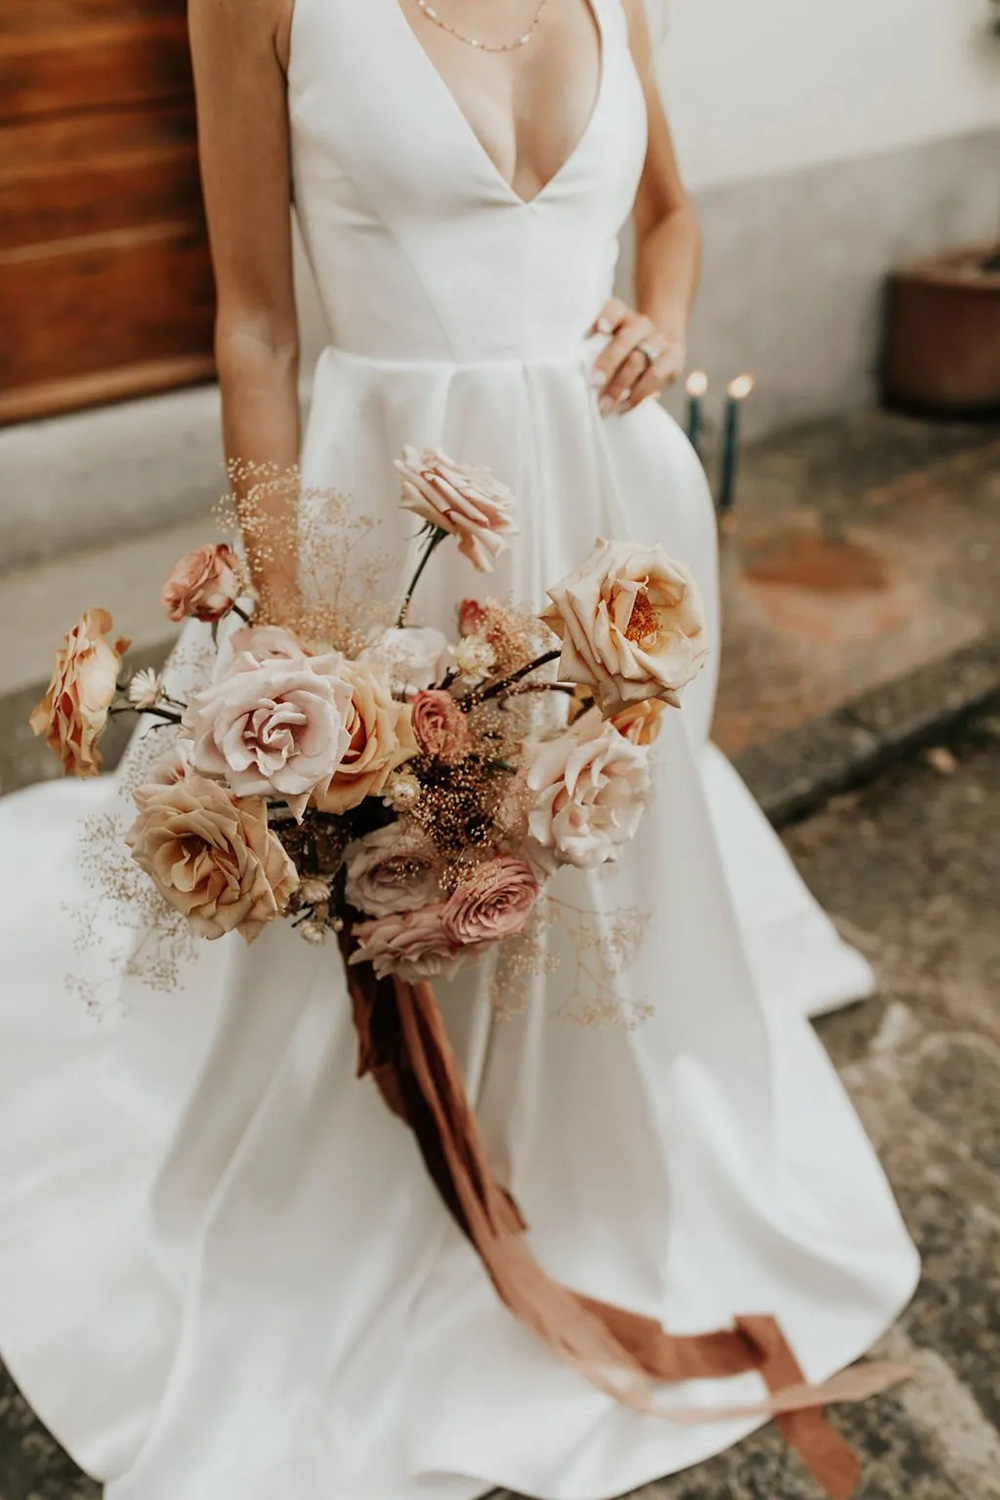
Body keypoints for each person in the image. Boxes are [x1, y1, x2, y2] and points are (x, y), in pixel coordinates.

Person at [0, 2, 918, 1496]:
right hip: (395, 526)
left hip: (618, 532)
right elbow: (255, 322)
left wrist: (658, 322)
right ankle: (411, 1191)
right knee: (405, 886)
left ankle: (596, 1171)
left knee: (597, 866)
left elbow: (672, 219)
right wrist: (297, 627)